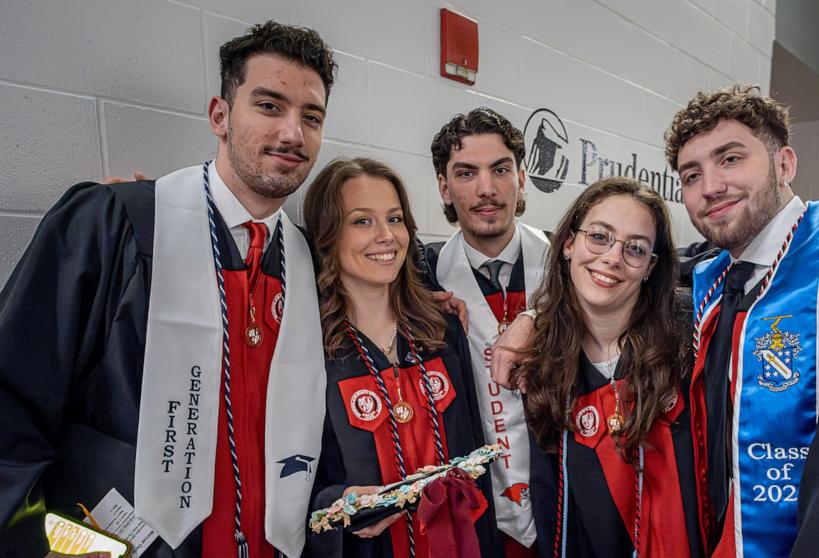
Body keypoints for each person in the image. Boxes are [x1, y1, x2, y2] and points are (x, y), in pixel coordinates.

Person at [493, 84, 819, 556]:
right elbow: (614, 271)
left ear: (785, 164)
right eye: (692, 175)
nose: (711, 187)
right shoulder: (715, 278)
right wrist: (536, 316)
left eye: (731, 159)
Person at [0, 22, 336, 557]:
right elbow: (13, 401)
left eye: (311, 117)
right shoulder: (118, 226)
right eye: (270, 105)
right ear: (219, 117)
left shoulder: (308, 264)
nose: (293, 133)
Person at [302, 157, 502, 558]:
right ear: (327, 235)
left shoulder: (441, 332)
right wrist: (340, 502)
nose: (386, 236)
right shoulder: (310, 347)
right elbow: (294, 481)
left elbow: (473, 455)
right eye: (362, 221)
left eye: (394, 219)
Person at [519, 177, 701, 558]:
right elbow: (550, 497)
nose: (612, 258)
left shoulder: (689, 340)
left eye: (634, 248)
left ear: (651, 266)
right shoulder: (545, 362)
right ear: (569, 242)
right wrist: (533, 317)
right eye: (599, 237)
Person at [422, 107, 548, 557]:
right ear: (444, 186)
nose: (486, 189)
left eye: (500, 169)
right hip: (479, 507)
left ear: (522, 178)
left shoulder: (568, 266)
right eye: (465, 173)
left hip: (562, 494)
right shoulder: (424, 278)